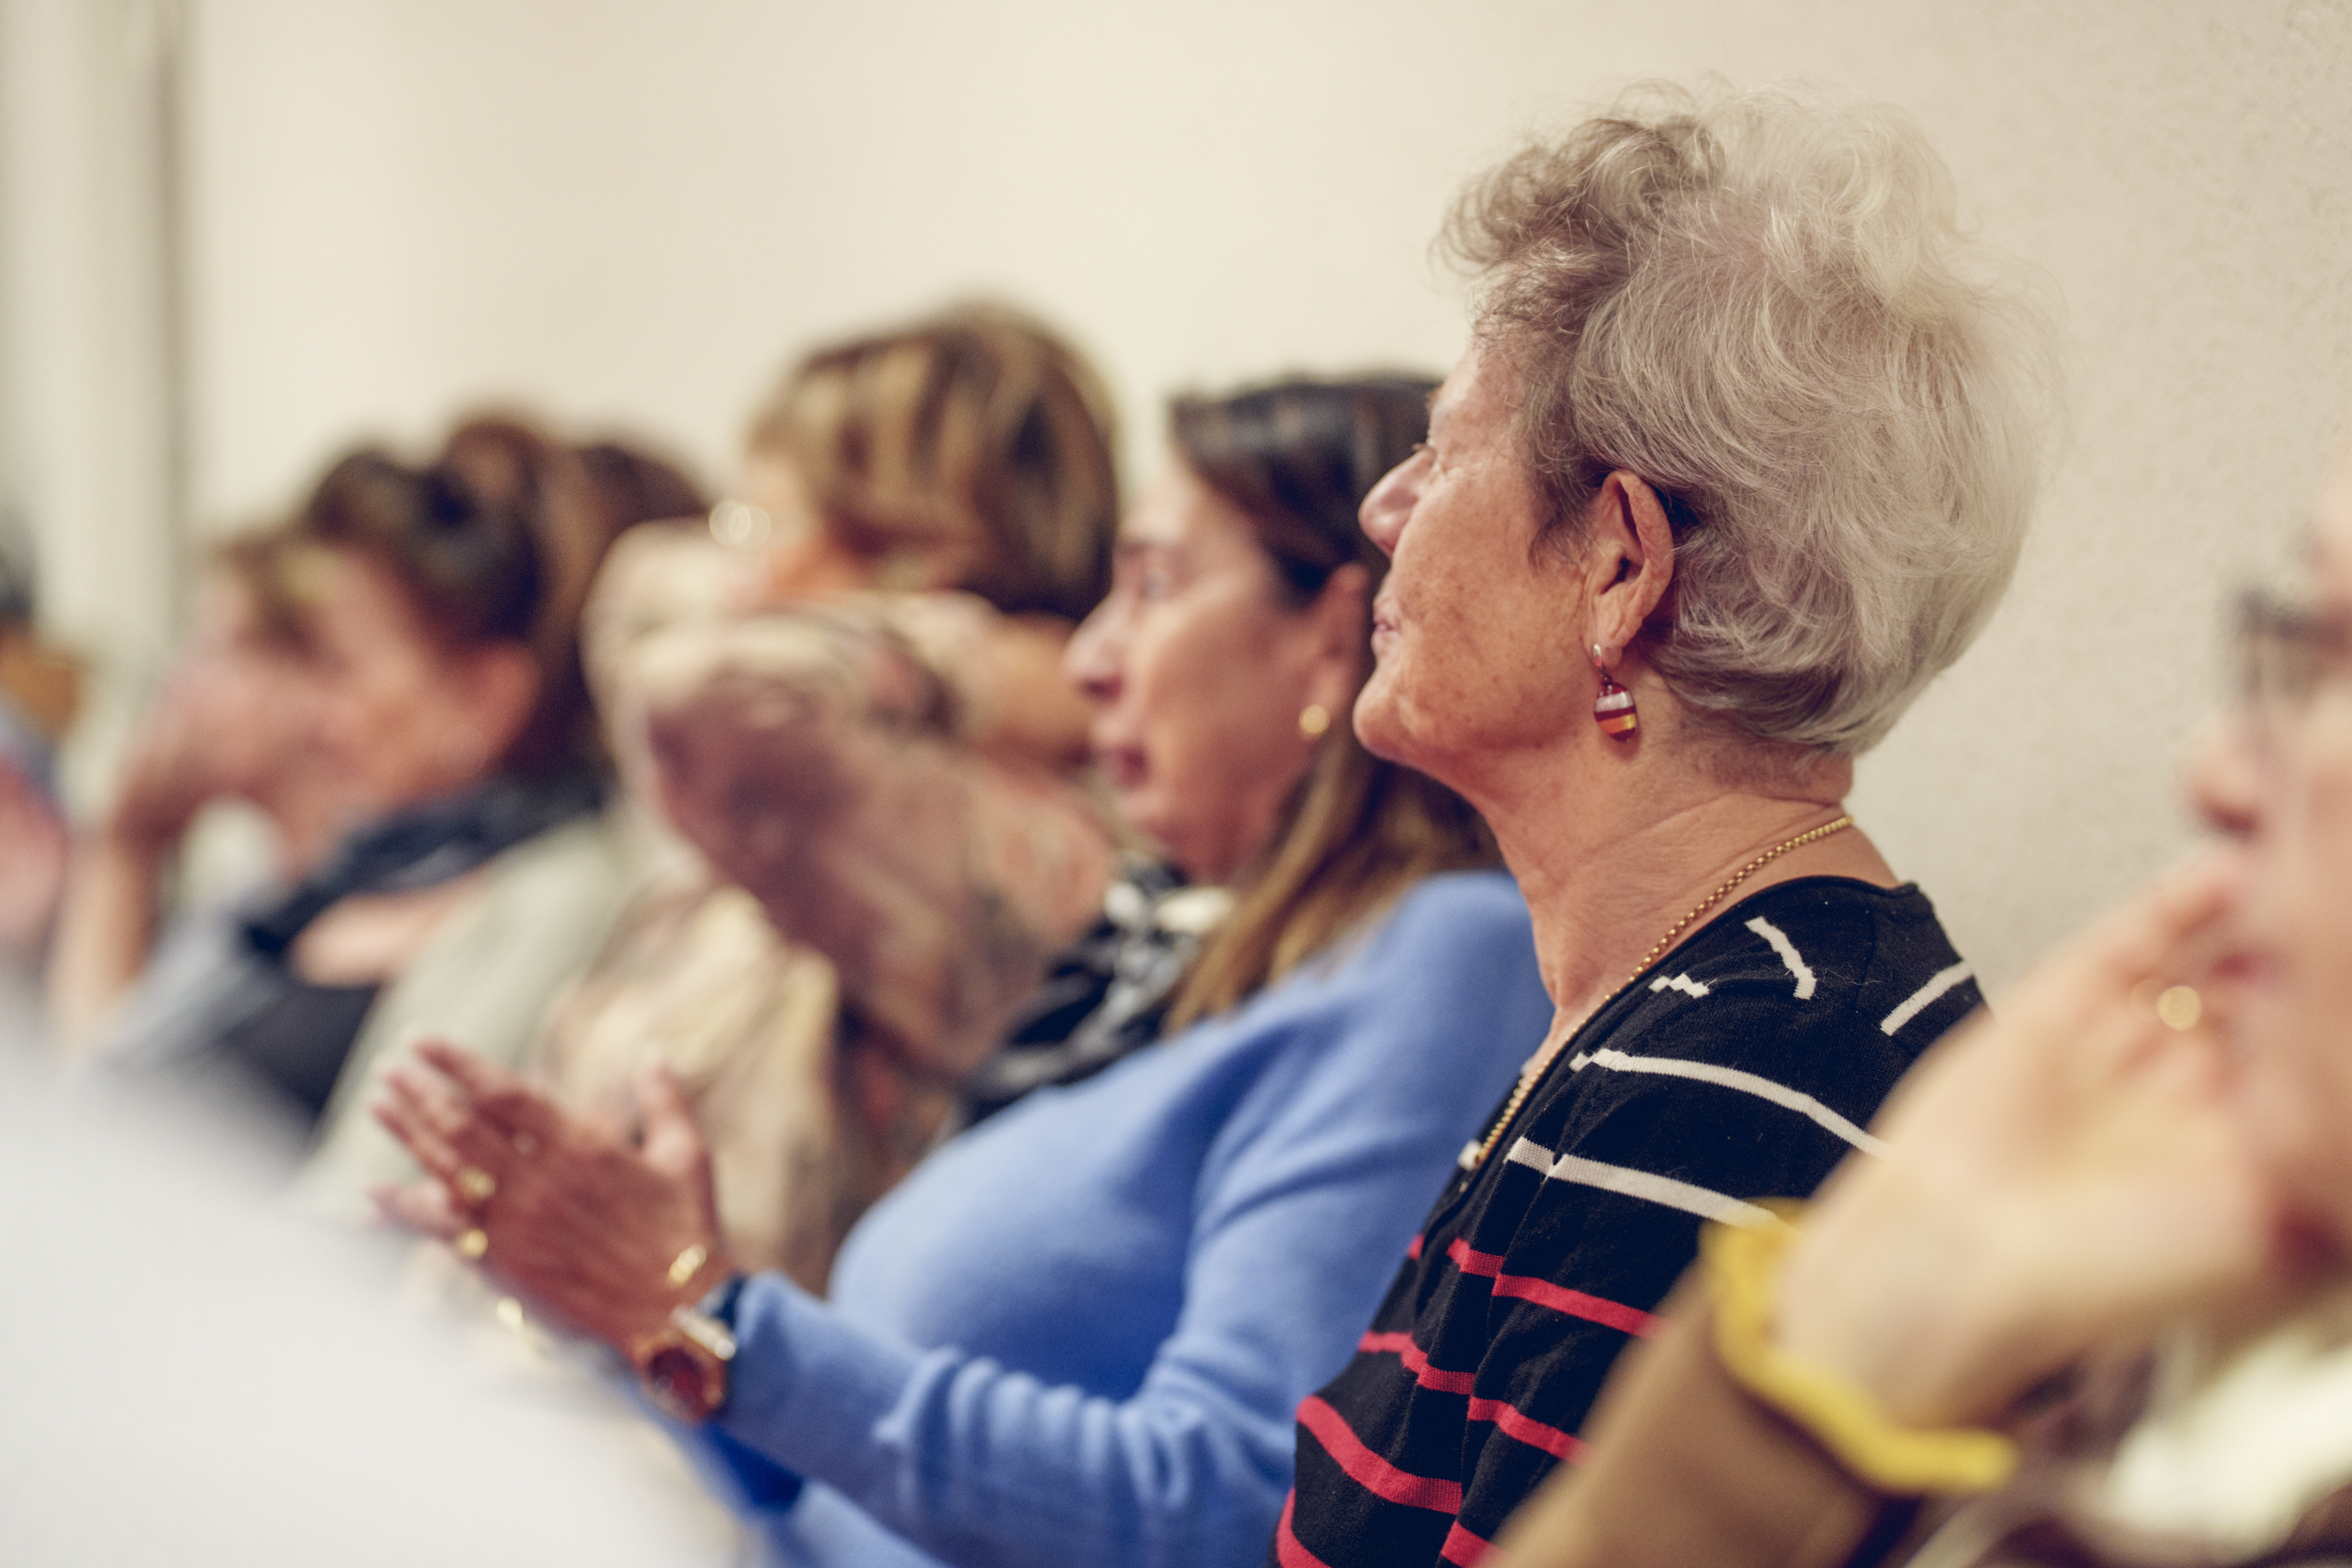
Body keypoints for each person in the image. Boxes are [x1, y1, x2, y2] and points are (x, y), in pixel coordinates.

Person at [373, 375, 1557, 1568]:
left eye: (1152, 586)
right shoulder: (1167, 957)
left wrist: (711, 1317)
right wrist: (625, 1321)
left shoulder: (1445, 954)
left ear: (1327, 634)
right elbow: (824, 1494)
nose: (1090, 660)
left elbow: (1233, 1503)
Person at [1272, 82, 2059, 1566]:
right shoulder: (1702, 1005)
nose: (1386, 505)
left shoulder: (1727, 1091)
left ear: (1621, 569)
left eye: (1445, 452)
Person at [1479, 411, 2352, 1568]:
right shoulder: (2212, 1344)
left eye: (2318, 657)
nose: (2213, 769)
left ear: (1626, 564)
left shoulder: (1770, 1040)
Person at [530, 302, 1122, 1288]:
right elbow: (634, 596)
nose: (733, 569)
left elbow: (699, 683)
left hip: (718, 1417)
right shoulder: (809, 811)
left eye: (763, 523)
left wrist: (970, 651)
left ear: (923, 562)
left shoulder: (987, 827)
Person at [83, 416, 702, 1206]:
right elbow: (96, 1091)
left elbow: (358, 1223)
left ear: (488, 697)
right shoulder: (343, 874)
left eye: (336, 667)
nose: (309, 712)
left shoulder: (551, 899)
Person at [45, 531, 358, 1046]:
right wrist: (128, 850)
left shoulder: (335, 926)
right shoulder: (244, 900)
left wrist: (123, 856)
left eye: (220, 650)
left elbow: (99, 1092)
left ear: (313, 674)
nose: (183, 685)